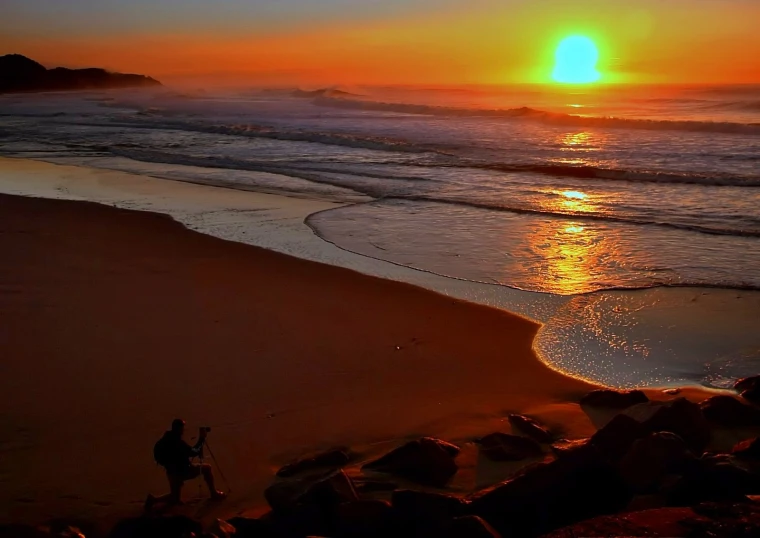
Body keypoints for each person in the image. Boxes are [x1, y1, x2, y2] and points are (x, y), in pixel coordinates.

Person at [145, 419, 226, 510]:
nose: (183, 431)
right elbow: (194, 452)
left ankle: (153, 500)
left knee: (175, 497)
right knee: (207, 468)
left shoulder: (165, 439)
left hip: (171, 471)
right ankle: (214, 493)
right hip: (183, 470)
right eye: (182, 428)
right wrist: (201, 439)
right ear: (179, 429)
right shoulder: (177, 442)